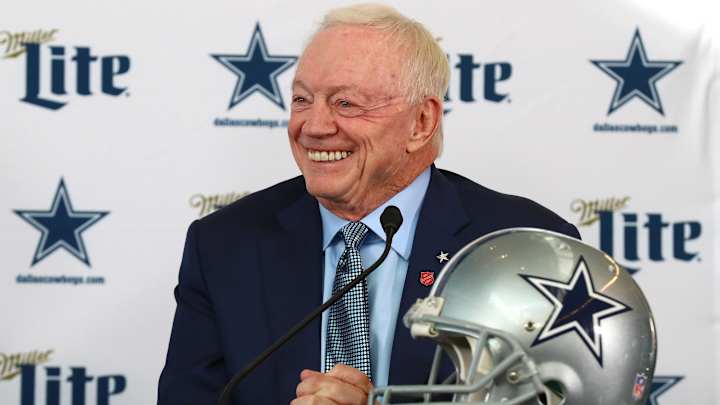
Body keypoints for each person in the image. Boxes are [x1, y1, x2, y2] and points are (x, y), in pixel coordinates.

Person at [158, 4, 580, 405]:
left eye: (346, 103)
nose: (314, 127)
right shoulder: (224, 245)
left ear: (421, 123)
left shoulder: (530, 247)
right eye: (302, 100)